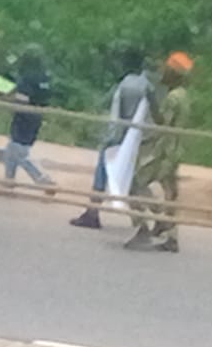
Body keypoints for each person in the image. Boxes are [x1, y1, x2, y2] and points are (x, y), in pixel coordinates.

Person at [69, 47, 158, 231]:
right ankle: (161, 216)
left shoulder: (124, 84)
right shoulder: (147, 85)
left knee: (102, 175)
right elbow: (156, 114)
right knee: (133, 181)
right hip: (134, 139)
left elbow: (108, 106)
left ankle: (93, 213)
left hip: (116, 137)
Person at [124, 52, 194, 253]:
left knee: (134, 184)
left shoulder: (172, 98)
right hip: (175, 151)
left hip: (163, 152)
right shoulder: (185, 96)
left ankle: (142, 227)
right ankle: (170, 234)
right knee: (171, 193)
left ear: (174, 74)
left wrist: (151, 99)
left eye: (167, 71)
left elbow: (162, 122)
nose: (163, 74)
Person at [0, 45, 56, 189]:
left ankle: (43, 179)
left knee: (19, 152)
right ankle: (8, 180)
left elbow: (22, 99)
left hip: (24, 117)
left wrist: (6, 98)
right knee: (11, 149)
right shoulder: (44, 76)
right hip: (37, 115)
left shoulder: (26, 78)